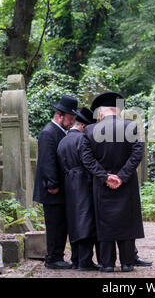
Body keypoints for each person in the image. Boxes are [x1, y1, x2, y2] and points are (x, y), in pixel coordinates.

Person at [81, 92, 145, 272]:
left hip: (102, 186)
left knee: (105, 221)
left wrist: (105, 176)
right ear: (117, 111)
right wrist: (122, 176)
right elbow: (137, 154)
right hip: (126, 184)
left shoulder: (89, 130)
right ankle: (127, 263)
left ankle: (107, 264)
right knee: (126, 220)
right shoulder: (131, 126)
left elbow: (87, 159)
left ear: (100, 113)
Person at [33, 95, 77, 269]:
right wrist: (52, 184)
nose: (72, 121)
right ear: (60, 115)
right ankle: (52, 258)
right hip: (51, 190)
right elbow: (47, 161)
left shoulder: (59, 131)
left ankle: (57, 256)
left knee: (61, 224)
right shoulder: (48, 133)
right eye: (71, 118)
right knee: (55, 225)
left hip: (59, 188)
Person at [57, 107, 101, 271]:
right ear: (84, 126)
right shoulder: (82, 139)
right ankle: (85, 261)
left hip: (69, 183)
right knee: (86, 221)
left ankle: (76, 259)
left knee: (75, 221)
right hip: (83, 182)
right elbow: (87, 161)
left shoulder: (64, 140)